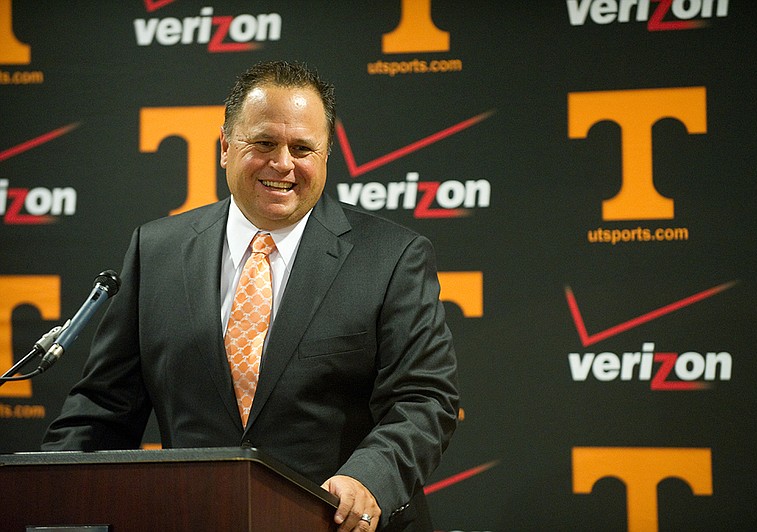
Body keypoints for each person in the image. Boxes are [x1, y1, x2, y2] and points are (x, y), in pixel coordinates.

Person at [42, 60, 459, 532]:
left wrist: (369, 479)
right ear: (224, 147)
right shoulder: (155, 250)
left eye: (303, 148)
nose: (282, 163)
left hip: (334, 524)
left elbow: (425, 399)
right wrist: (49, 493)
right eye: (264, 143)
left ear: (325, 158)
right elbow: (103, 408)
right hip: (192, 519)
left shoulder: (391, 257)